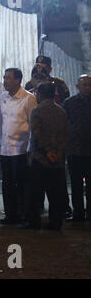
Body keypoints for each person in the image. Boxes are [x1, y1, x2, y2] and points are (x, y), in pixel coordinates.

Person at [0, 68, 37, 225]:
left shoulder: (28, 98)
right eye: (4, 78)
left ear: (18, 80)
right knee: (7, 183)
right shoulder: (3, 97)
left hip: (21, 148)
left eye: (8, 78)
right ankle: (11, 215)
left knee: (22, 184)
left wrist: (30, 148)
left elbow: (33, 125)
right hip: (5, 148)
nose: (5, 81)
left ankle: (24, 214)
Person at [23, 82, 69, 230]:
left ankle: (34, 222)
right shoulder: (61, 111)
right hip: (58, 160)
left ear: (40, 94)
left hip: (40, 159)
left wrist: (48, 151)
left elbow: (37, 134)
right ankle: (56, 222)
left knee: (35, 193)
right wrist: (58, 152)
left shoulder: (37, 111)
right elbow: (66, 133)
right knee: (55, 193)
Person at [63, 75, 91, 222]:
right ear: (77, 86)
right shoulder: (69, 103)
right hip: (75, 149)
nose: (87, 88)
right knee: (76, 184)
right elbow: (64, 124)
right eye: (84, 85)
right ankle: (78, 212)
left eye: (89, 85)